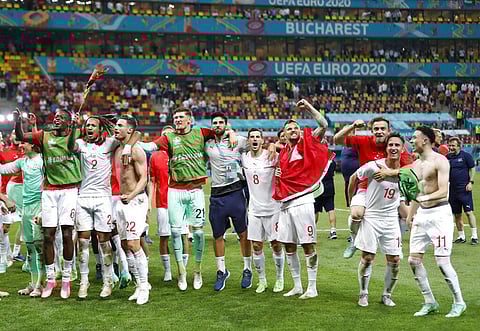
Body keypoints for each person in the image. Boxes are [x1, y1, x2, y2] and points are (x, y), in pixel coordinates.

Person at [134, 107, 236, 291]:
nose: (177, 120)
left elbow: (221, 130)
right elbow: (150, 146)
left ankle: (196, 271)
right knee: (175, 232)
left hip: (196, 191)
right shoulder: (169, 138)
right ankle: (181, 272)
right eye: (175, 117)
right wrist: (134, 141)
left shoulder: (201, 133)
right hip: (175, 191)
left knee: (197, 232)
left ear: (189, 120)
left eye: (181, 117)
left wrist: (231, 131)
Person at [14, 108, 81, 299]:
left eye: (61, 117)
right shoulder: (44, 136)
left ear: (68, 122)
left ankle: (66, 279)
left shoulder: (75, 135)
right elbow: (21, 136)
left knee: (67, 233)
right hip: (50, 191)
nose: (56, 119)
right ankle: (51, 280)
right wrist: (18, 121)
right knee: (48, 234)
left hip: (69, 190)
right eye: (55, 116)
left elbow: (70, 146)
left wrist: (75, 126)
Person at [406, 126, 466, 318]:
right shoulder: (416, 164)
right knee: (413, 260)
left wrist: (422, 200)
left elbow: (443, 191)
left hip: (439, 215)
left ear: (425, 140)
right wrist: (410, 214)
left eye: (414, 137)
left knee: (442, 262)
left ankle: (459, 302)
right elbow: (417, 192)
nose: (411, 140)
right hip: (422, 215)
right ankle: (429, 301)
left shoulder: (440, 161)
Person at [334, 117, 412, 259]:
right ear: (371, 131)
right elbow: (337, 139)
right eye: (376, 129)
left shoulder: (394, 146)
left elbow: (410, 169)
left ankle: (397, 243)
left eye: (383, 129)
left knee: (408, 214)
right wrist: (352, 126)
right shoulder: (364, 141)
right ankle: (354, 240)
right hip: (367, 187)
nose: (379, 131)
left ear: (389, 131)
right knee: (356, 213)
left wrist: (389, 173)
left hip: (391, 188)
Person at [274, 99, 329, 299]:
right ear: (284, 134)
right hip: (285, 204)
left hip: (303, 201)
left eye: (296, 127)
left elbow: (324, 125)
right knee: (288, 244)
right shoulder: (284, 154)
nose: (294, 130)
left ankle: (312, 287)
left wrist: (309, 108)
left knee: (307, 244)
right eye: (289, 129)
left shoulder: (308, 142)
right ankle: (297, 285)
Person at [68, 115, 120, 298]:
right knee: (83, 241)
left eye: (93, 125)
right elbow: (69, 146)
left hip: (103, 198)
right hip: (83, 198)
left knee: (104, 241)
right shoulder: (80, 144)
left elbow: (130, 134)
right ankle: (84, 281)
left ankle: (108, 281)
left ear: (100, 129)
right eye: (87, 125)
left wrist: (114, 124)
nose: (89, 128)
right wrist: (74, 126)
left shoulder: (109, 144)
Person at [204, 112, 255, 291]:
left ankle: (247, 268)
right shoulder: (207, 143)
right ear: (212, 126)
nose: (217, 125)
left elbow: (257, 145)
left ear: (227, 124)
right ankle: (221, 270)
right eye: (215, 123)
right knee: (217, 235)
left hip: (235, 192)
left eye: (221, 122)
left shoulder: (238, 141)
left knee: (243, 233)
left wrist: (272, 148)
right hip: (217, 195)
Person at [355, 133, 405, 308]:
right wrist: (352, 201)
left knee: (395, 261)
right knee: (368, 257)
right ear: (386, 148)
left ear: (402, 148)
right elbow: (355, 177)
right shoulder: (373, 166)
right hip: (372, 217)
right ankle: (363, 293)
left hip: (391, 220)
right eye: (390, 145)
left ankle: (387, 295)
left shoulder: (405, 172)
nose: (393, 148)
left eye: (397, 145)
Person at [241, 128, 284, 294]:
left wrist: (274, 145)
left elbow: (286, 155)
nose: (254, 139)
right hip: (254, 209)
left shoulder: (272, 156)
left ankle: (279, 278)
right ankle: (262, 280)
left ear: (262, 140)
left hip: (273, 208)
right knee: (257, 245)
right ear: (248, 140)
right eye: (251, 137)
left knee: (276, 244)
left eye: (258, 137)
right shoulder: (244, 157)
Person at [113, 115, 149, 305]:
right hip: (121, 202)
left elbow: (144, 177)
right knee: (126, 245)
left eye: (120, 125)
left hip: (135, 201)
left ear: (129, 130)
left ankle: (144, 286)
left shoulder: (136, 150)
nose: (115, 128)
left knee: (134, 244)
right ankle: (138, 285)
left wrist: (133, 194)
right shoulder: (118, 148)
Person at [0, 141, 44, 297]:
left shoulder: (42, 161)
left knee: (40, 247)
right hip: (26, 207)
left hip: (40, 206)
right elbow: (3, 169)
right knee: (31, 247)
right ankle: (33, 284)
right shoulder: (22, 162)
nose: (20, 146)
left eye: (24, 143)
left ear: (33, 145)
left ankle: (41, 284)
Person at [148, 125, 177, 282]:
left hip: (180, 200)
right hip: (162, 202)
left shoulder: (181, 154)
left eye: (169, 135)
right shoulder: (155, 156)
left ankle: (182, 269)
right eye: (164, 135)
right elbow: (152, 181)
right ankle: (167, 271)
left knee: (182, 236)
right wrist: (148, 203)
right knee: (164, 237)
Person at [447, 137, 477, 245]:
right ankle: (461, 236)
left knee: (469, 212)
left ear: (459, 146)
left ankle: (474, 236)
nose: (451, 148)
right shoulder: (448, 157)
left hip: (464, 189)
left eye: (453, 145)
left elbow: (472, 168)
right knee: (457, 214)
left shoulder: (466, 156)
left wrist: (471, 182)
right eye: (450, 145)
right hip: (452, 190)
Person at [314, 156, 337, 239]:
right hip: (329, 187)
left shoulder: (315, 159)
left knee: (315, 210)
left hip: (318, 187)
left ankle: (312, 231)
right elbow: (333, 173)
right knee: (331, 209)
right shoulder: (332, 162)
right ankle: (333, 230)